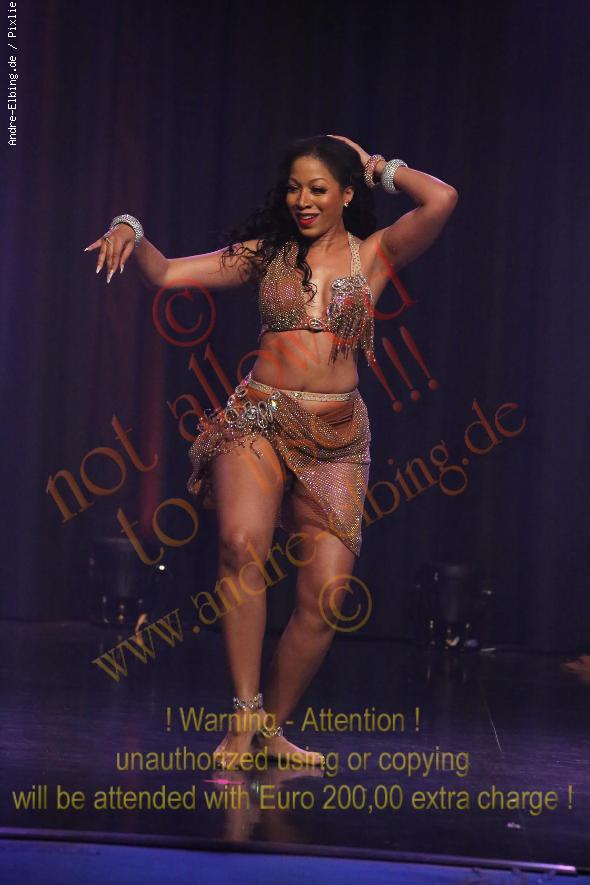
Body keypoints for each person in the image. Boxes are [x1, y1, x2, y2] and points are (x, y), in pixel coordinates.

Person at [84, 134, 458, 769]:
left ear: (345, 195)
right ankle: (242, 714)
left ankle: (270, 731)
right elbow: (168, 272)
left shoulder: (375, 254)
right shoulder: (268, 254)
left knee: (327, 600)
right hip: (258, 417)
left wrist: (375, 166)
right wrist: (130, 228)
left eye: (318, 189)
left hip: (338, 437)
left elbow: (442, 199)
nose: (303, 200)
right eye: (293, 188)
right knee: (241, 546)